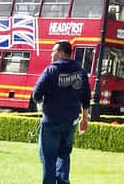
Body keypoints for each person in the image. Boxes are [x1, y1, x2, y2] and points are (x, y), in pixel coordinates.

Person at [32, 40, 91, 184]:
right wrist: (84, 119)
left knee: (48, 157)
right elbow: (86, 96)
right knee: (64, 155)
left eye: (53, 51)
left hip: (51, 121)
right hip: (70, 122)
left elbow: (36, 95)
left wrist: (43, 99)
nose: (51, 55)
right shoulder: (81, 71)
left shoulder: (51, 70)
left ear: (60, 53)